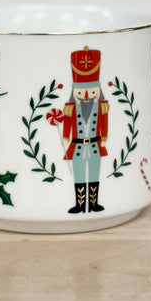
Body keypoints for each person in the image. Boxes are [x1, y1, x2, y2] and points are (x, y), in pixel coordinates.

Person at [62, 46, 109, 213]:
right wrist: (65, 136)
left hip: (95, 145)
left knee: (94, 173)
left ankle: (94, 204)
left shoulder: (101, 108)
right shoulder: (71, 109)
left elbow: (103, 123)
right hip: (78, 147)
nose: (86, 95)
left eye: (92, 91)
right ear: (75, 92)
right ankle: (80, 205)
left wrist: (104, 137)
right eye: (81, 92)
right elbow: (67, 123)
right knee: (79, 174)